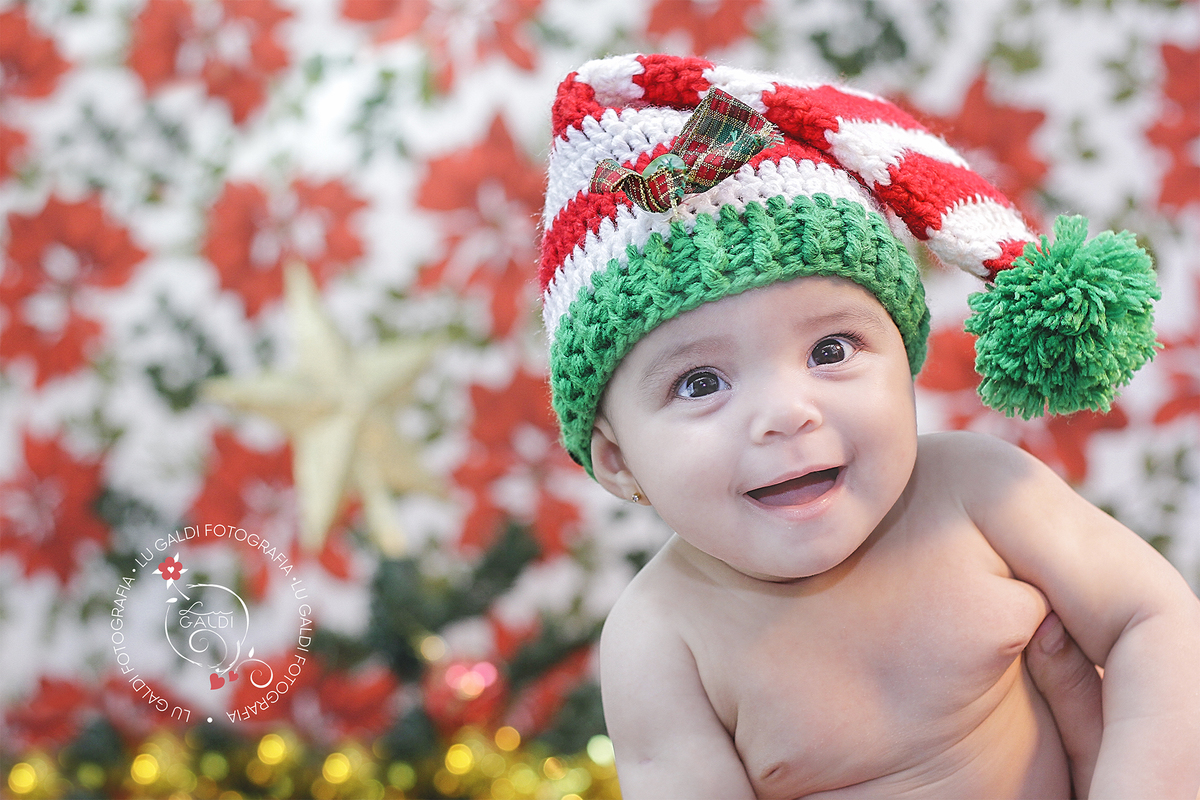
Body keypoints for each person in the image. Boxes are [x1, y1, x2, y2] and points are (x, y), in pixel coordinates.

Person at [536, 54, 1200, 799]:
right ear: (618, 460)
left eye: (830, 350)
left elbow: (1155, 619)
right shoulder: (661, 639)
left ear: (905, 357)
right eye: (700, 383)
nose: (787, 413)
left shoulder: (980, 491)